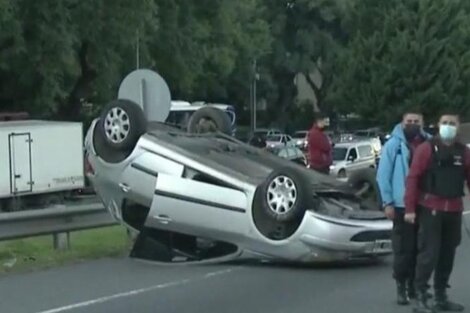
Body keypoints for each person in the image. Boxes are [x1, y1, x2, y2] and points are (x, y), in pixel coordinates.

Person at [404, 112, 469, 313]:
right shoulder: (426, 149)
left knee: (447, 255)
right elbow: (413, 179)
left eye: (452, 123)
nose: (448, 126)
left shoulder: (463, 151)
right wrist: (410, 209)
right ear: (438, 125)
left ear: (458, 127)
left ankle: (441, 296)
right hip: (431, 209)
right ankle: (421, 296)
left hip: (454, 210)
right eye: (445, 123)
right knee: (428, 255)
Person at [376, 111, 430, 305]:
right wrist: (387, 202)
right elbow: (383, 176)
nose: (413, 124)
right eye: (409, 121)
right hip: (400, 206)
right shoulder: (393, 146)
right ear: (402, 123)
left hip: (425, 204)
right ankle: (401, 287)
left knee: (422, 249)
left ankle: (416, 287)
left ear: (422, 123)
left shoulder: (429, 144)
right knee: (403, 250)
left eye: (417, 121)